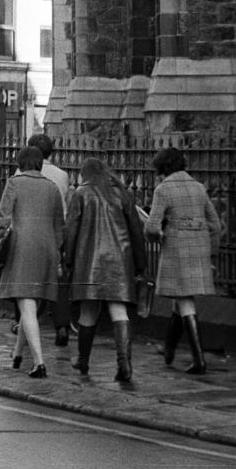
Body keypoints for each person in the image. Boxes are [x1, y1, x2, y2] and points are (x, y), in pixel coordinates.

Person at [64, 158, 149, 382]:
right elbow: (136, 231)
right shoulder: (121, 193)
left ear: (85, 174)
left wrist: (69, 260)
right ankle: (125, 363)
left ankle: (83, 360)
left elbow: (71, 231)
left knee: (88, 311)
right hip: (120, 261)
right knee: (119, 311)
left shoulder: (81, 194)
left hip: (88, 262)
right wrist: (141, 264)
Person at [0, 145, 66, 377]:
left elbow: (1, 220)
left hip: (22, 249)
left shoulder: (14, 183)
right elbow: (59, 227)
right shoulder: (52, 188)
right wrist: (56, 252)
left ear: (20, 163)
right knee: (29, 303)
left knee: (27, 307)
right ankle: (18, 352)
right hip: (47, 250)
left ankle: (39, 363)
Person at [146, 146, 224, 374]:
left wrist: (156, 234)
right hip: (198, 247)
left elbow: (151, 226)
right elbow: (216, 224)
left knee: (185, 300)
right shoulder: (199, 188)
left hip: (176, 247)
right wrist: (209, 251)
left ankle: (199, 359)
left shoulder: (163, 189)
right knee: (179, 300)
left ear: (162, 168)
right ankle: (169, 351)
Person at [27, 132, 72, 347]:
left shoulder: (23, 172)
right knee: (59, 280)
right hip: (57, 232)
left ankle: (26, 323)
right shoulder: (61, 175)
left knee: (29, 279)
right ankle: (62, 326)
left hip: (32, 232)